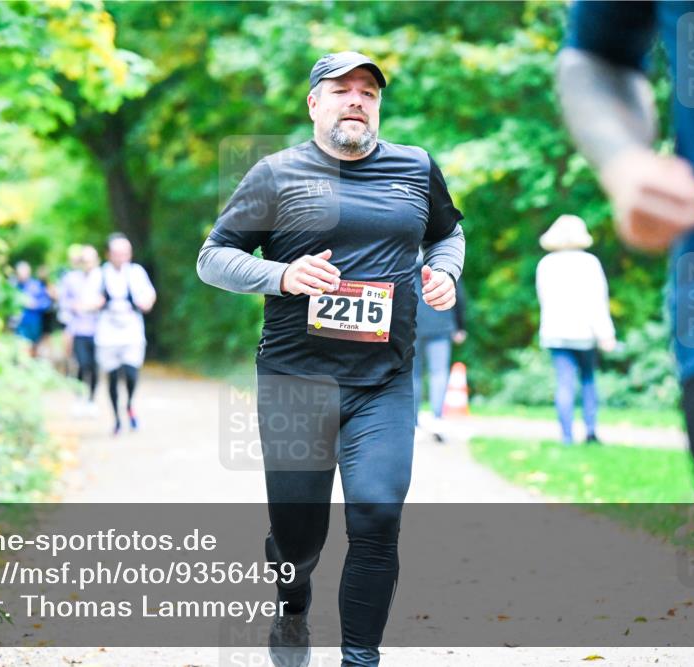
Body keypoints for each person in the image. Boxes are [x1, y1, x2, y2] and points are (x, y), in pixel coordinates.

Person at [197, 51, 465, 667]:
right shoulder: (275, 174)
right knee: (299, 535)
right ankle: (292, 606)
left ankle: (359, 657)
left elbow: (447, 233)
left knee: (376, 514)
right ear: (314, 103)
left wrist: (445, 271)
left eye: (368, 92)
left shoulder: (415, 167)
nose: (356, 100)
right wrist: (282, 275)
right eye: (342, 89)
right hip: (296, 380)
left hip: (384, 381)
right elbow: (214, 257)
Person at [556, 0, 694, 595]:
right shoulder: (575, 265)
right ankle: (578, 430)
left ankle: (580, 429)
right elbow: (598, 53)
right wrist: (624, 162)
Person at [535, 214, 616, 445]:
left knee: (564, 383)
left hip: (555, 333)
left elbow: (543, 299)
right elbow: (598, 301)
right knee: (588, 380)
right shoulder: (589, 263)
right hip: (584, 334)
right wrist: (606, 333)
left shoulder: (546, 264)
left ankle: (566, 436)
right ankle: (590, 431)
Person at [86, 233, 156, 436]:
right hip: (107, 335)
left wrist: (146, 303)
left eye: (125, 253)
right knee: (113, 376)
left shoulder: (136, 272)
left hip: (132, 332)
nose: (121, 257)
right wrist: (95, 303)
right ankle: (117, 418)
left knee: (131, 373)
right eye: (117, 253)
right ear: (108, 254)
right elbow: (86, 300)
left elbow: (149, 295)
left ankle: (130, 404)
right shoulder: (99, 275)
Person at [412, 249, 467, 443]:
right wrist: (460, 326)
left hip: (411, 326)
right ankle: (437, 419)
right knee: (439, 373)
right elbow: (459, 296)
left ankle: (414, 423)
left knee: (413, 375)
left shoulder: (404, 265)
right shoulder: (444, 264)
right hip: (441, 324)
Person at [58, 244, 102, 416]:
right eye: (84, 260)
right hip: (78, 329)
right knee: (81, 364)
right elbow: (63, 302)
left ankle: (91, 400)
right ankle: (78, 398)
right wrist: (74, 308)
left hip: (99, 330)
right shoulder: (71, 279)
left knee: (94, 366)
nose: (87, 263)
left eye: (90, 260)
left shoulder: (102, 277)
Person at [12, 260, 52, 358]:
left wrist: (35, 305)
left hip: (35, 323)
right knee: (23, 348)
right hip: (20, 324)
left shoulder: (37, 285)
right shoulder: (14, 287)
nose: (22, 275)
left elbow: (46, 303)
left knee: (34, 349)